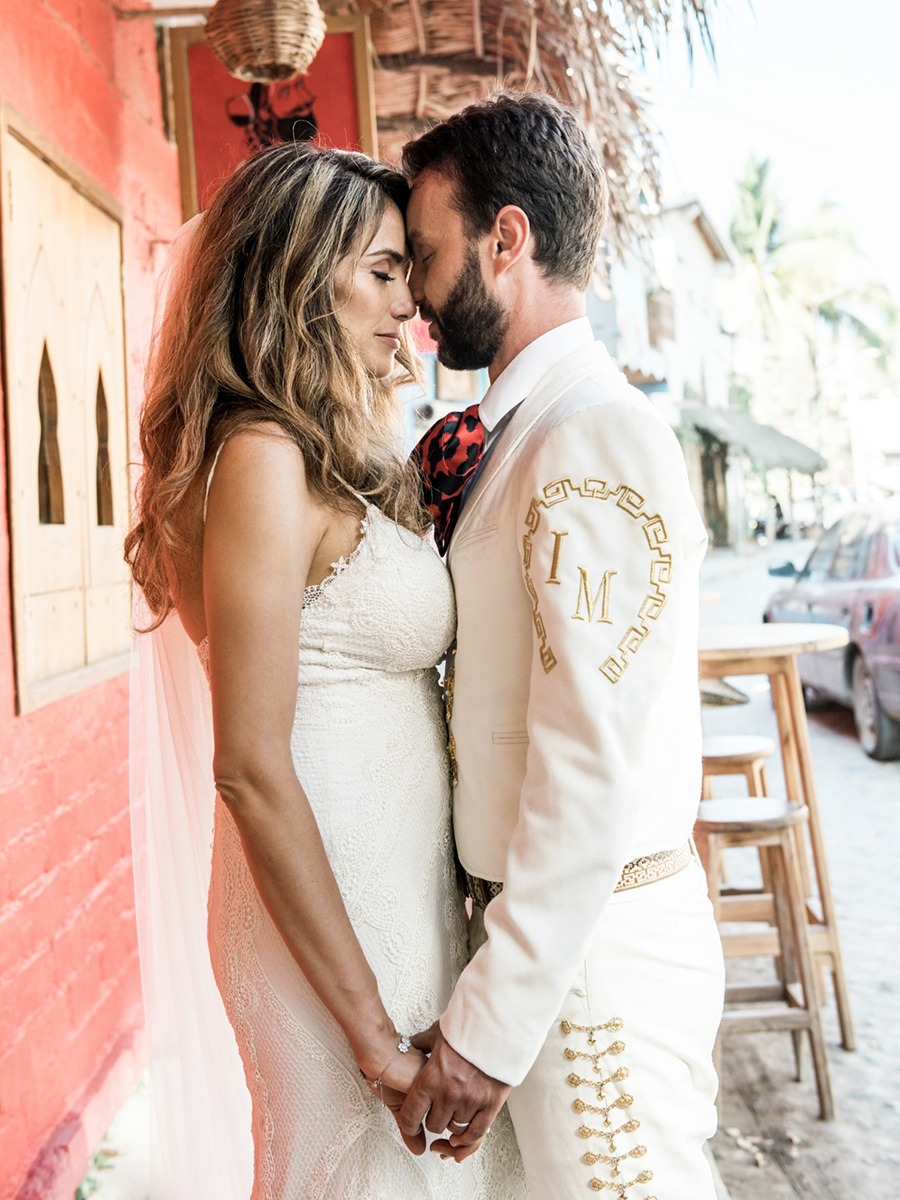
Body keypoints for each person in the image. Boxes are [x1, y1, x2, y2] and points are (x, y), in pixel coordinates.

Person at [126, 141, 525, 1200]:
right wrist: (372, 1039)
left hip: (393, 890)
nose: (414, 304)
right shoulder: (259, 457)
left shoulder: (323, 447)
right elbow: (248, 765)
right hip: (329, 925)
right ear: (299, 272)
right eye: (386, 272)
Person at [398, 92, 726, 1199]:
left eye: (429, 254)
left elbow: (589, 764)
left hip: (595, 972)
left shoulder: (593, 437)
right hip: (552, 949)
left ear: (508, 239)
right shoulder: (527, 432)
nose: (417, 298)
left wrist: (490, 1024)